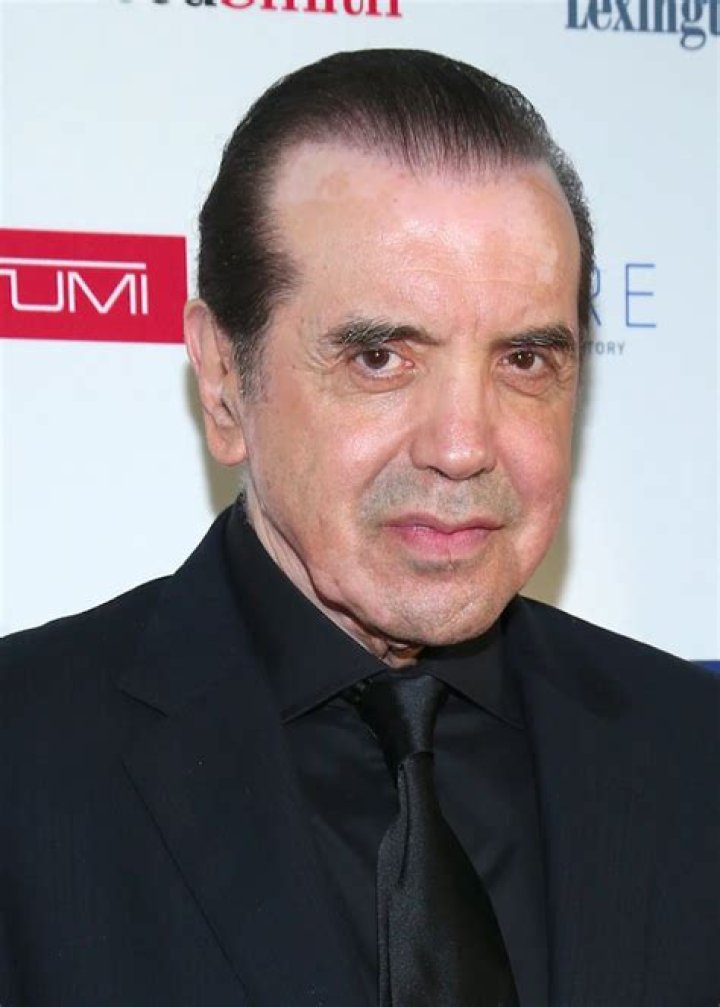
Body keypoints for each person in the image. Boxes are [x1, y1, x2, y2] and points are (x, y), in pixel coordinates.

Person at [0, 49, 717, 1007]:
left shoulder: (694, 752)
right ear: (224, 380)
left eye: (524, 359)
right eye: (380, 356)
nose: (462, 447)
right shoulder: (24, 761)